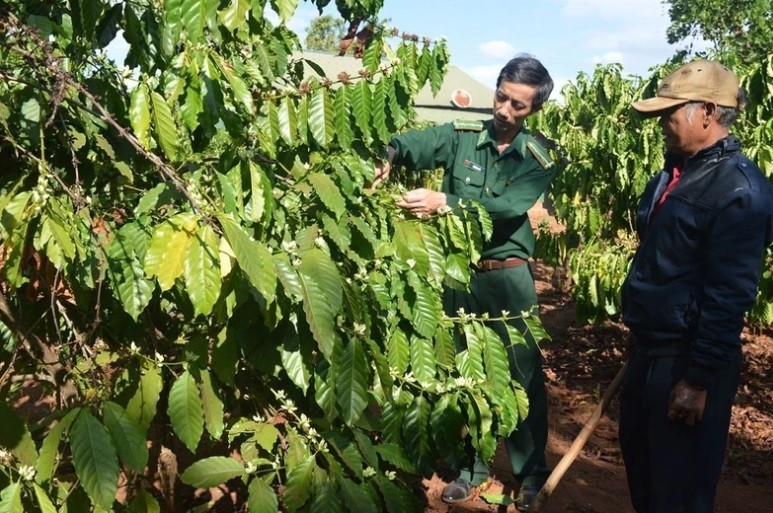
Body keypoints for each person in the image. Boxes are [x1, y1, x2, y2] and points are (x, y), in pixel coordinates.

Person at [372, 54, 557, 511]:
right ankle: (472, 468)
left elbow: (508, 207)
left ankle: (530, 475)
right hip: (461, 278)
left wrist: (443, 202)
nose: (504, 111)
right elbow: (416, 142)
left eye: (517, 106)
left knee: (520, 374)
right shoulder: (462, 137)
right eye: (500, 97)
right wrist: (388, 154)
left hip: (507, 279)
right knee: (466, 372)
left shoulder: (537, 160)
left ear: (533, 111)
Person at [620, 59, 773, 513]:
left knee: (679, 494)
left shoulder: (740, 190)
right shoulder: (672, 173)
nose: (661, 124)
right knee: (646, 483)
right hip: (651, 352)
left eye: (669, 113)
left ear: (706, 111)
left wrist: (697, 378)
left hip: (687, 363)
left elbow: (729, 292)